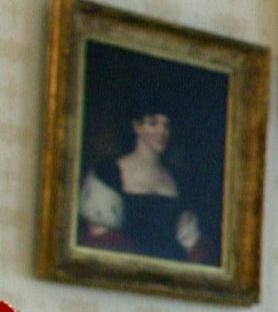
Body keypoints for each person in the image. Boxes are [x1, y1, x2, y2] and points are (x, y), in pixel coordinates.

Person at [79, 109, 213, 264]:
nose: (161, 131)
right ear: (137, 127)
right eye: (153, 123)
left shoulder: (179, 177)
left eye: (166, 126)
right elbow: (98, 240)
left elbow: (192, 242)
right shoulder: (109, 172)